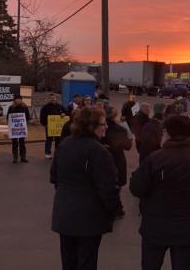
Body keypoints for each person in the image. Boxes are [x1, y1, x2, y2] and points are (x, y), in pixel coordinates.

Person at [130, 115, 190, 270]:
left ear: (167, 133)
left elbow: (136, 188)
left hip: (156, 225)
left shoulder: (156, 158)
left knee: (150, 265)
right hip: (189, 226)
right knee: (182, 265)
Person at [50, 106, 119, 270]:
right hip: (89, 218)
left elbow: (54, 176)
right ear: (91, 126)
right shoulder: (99, 151)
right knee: (86, 262)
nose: (107, 127)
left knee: (69, 262)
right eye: (103, 124)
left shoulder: (65, 144)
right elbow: (108, 188)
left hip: (65, 214)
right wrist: (113, 210)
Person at [103, 106, 133, 219]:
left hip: (103, 160)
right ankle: (115, 209)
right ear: (115, 115)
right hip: (117, 159)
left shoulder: (100, 127)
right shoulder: (121, 129)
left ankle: (108, 207)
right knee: (116, 186)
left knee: (104, 184)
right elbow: (128, 147)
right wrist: (130, 139)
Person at [40, 94, 68, 159]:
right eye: (51, 98)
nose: (53, 99)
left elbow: (66, 113)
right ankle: (47, 153)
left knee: (58, 140)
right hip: (49, 127)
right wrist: (45, 124)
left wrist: (64, 114)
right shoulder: (45, 107)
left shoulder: (60, 106)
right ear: (48, 99)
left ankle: (57, 153)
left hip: (58, 128)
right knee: (49, 140)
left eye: (54, 98)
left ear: (56, 99)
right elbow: (42, 117)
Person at [7, 95, 31, 164]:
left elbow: (27, 117)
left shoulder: (24, 107)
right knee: (14, 143)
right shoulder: (11, 108)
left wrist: (26, 124)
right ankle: (15, 158)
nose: (18, 101)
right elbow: (8, 117)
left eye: (20, 99)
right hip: (14, 129)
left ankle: (23, 157)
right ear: (14, 100)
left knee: (22, 143)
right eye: (17, 99)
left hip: (21, 129)